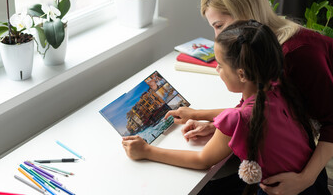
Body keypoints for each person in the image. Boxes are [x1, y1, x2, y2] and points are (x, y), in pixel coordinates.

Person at [165, 0, 333, 195]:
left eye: (219, 25)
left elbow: (332, 122)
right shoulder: (260, 51)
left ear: (244, 12)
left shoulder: (299, 54)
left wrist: (305, 179)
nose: (217, 37)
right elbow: (257, 107)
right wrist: (212, 123)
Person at [123, 20, 328, 194]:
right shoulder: (275, 87)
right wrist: (195, 113)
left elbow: (203, 159)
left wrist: (148, 151)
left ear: (241, 74)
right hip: (315, 183)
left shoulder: (240, 119)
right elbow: (245, 113)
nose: (217, 69)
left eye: (220, 65)